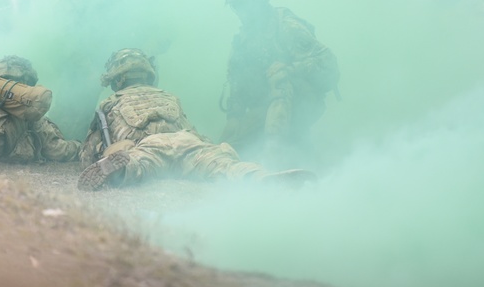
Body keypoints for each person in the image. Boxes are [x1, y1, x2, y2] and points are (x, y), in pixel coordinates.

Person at [77, 48, 310, 191]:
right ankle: (258, 178)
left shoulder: (109, 103)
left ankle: (121, 169)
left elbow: (87, 153)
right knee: (221, 164)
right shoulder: (169, 97)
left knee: (139, 165)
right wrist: (208, 147)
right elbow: (190, 130)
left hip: (147, 147)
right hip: (184, 141)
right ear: (150, 74)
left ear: (116, 80)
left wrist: (96, 155)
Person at [220, 0, 340, 159]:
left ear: (258, 0)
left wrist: (290, 69)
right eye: (237, 6)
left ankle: (274, 152)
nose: (240, 12)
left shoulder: (286, 26)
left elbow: (329, 64)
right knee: (228, 146)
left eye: (244, 4)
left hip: (302, 103)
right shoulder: (243, 40)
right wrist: (233, 122)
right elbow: (237, 83)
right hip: (266, 108)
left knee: (280, 75)